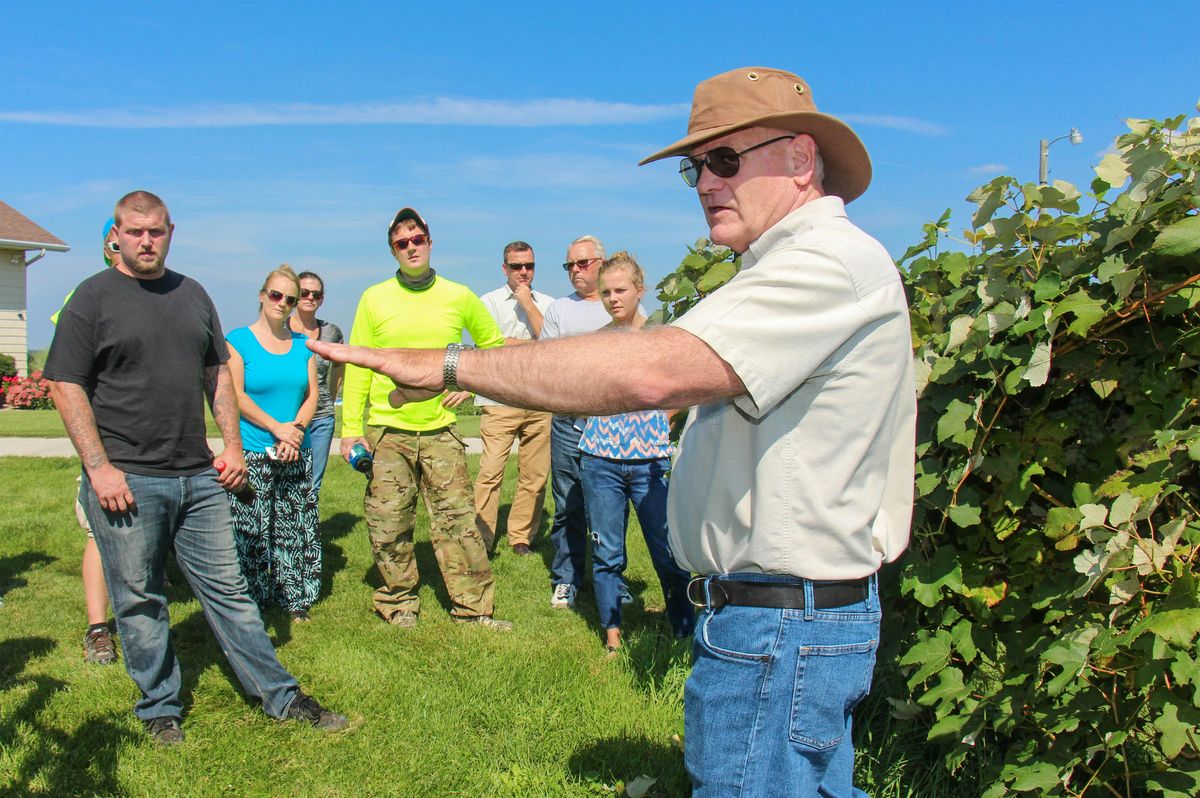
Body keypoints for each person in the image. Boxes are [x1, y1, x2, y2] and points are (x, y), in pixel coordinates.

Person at [310, 66, 916, 796]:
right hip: (779, 620)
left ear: (800, 159)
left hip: (782, 628)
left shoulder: (825, 264)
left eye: (726, 160)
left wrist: (447, 366)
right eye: (697, 167)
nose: (705, 182)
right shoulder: (790, 267)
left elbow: (649, 371)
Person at [45, 190, 348, 746]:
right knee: (139, 597)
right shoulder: (92, 299)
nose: (145, 241)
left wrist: (231, 449)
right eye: (134, 231)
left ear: (170, 231)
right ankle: (160, 707)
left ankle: (281, 696)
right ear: (116, 233)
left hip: (198, 474)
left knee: (229, 589)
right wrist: (99, 469)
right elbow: (65, 385)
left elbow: (218, 377)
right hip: (127, 478)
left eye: (155, 231)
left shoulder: (192, 295)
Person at [339, 206, 511, 630]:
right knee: (389, 523)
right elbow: (360, 364)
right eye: (402, 243)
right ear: (393, 251)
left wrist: (467, 384)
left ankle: (474, 610)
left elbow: (493, 347)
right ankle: (398, 603)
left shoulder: (458, 295)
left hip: (439, 431)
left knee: (458, 523)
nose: (411, 247)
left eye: (418, 240)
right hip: (387, 432)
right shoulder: (374, 298)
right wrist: (350, 431)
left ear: (430, 242)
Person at [578, 252, 694, 654]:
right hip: (599, 459)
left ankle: (683, 632)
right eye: (606, 291)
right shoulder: (597, 343)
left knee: (667, 551)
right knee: (607, 551)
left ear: (639, 290)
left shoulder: (662, 337)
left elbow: (687, 386)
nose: (613, 298)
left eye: (621, 290)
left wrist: (666, 414)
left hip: (651, 461)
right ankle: (612, 635)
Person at [540, 236, 642, 610]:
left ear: (599, 263)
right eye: (569, 265)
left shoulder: (617, 304)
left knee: (611, 506)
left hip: (612, 424)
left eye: (582, 263)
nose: (575, 271)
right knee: (567, 503)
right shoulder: (557, 311)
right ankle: (566, 579)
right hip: (567, 422)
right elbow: (548, 363)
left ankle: (614, 580)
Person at [226, 265, 320, 622]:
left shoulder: (303, 346)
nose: (283, 303)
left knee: (294, 526)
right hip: (253, 447)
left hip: (297, 447)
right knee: (252, 526)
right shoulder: (238, 341)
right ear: (263, 295)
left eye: (291, 299)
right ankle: (253, 598)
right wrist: (275, 428)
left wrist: (295, 430)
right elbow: (235, 395)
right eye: (277, 295)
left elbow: (312, 395)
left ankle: (296, 597)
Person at [51, 217, 119, 665]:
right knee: (100, 530)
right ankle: (98, 628)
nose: (124, 249)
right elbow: (65, 377)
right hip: (106, 437)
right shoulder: (87, 296)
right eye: (114, 243)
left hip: (152, 439)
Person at [474, 241, 555, 555]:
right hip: (499, 397)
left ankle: (521, 538)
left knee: (534, 474)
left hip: (539, 399)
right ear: (504, 268)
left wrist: (528, 304)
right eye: (516, 266)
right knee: (490, 472)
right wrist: (534, 345)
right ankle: (481, 538)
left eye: (529, 266)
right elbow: (491, 345)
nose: (523, 272)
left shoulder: (547, 303)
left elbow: (551, 343)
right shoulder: (489, 302)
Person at [288, 271, 344, 503]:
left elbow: (339, 367)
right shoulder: (281, 329)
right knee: (285, 480)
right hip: (288, 418)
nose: (310, 297)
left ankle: (306, 536)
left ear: (322, 298)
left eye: (316, 294)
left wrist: (329, 399)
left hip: (321, 418)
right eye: (304, 293)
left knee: (312, 484)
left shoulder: (332, 332)